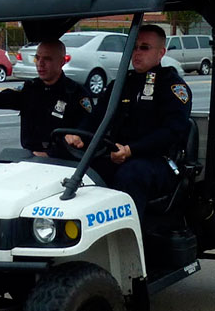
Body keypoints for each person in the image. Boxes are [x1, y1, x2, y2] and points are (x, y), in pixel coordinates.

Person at [65, 24, 192, 221]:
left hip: (156, 160)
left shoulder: (171, 86)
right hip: (117, 154)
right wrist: (79, 134)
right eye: (134, 47)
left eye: (144, 47)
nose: (137, 53)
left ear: (161, 53)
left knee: (130, 175)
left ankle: (129, 238)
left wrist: (132, 149)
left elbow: (173, 131)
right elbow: (97, 117)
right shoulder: (121, 84)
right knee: (80, 169)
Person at [0, 40, 92, 157]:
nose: (40, 63)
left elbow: (89, 129)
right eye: (37, 58)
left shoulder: (76, 94)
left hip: (63, 163)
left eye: (47, 59)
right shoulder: (31, 88)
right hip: (28, 158)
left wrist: (54, 152)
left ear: (62, 61)